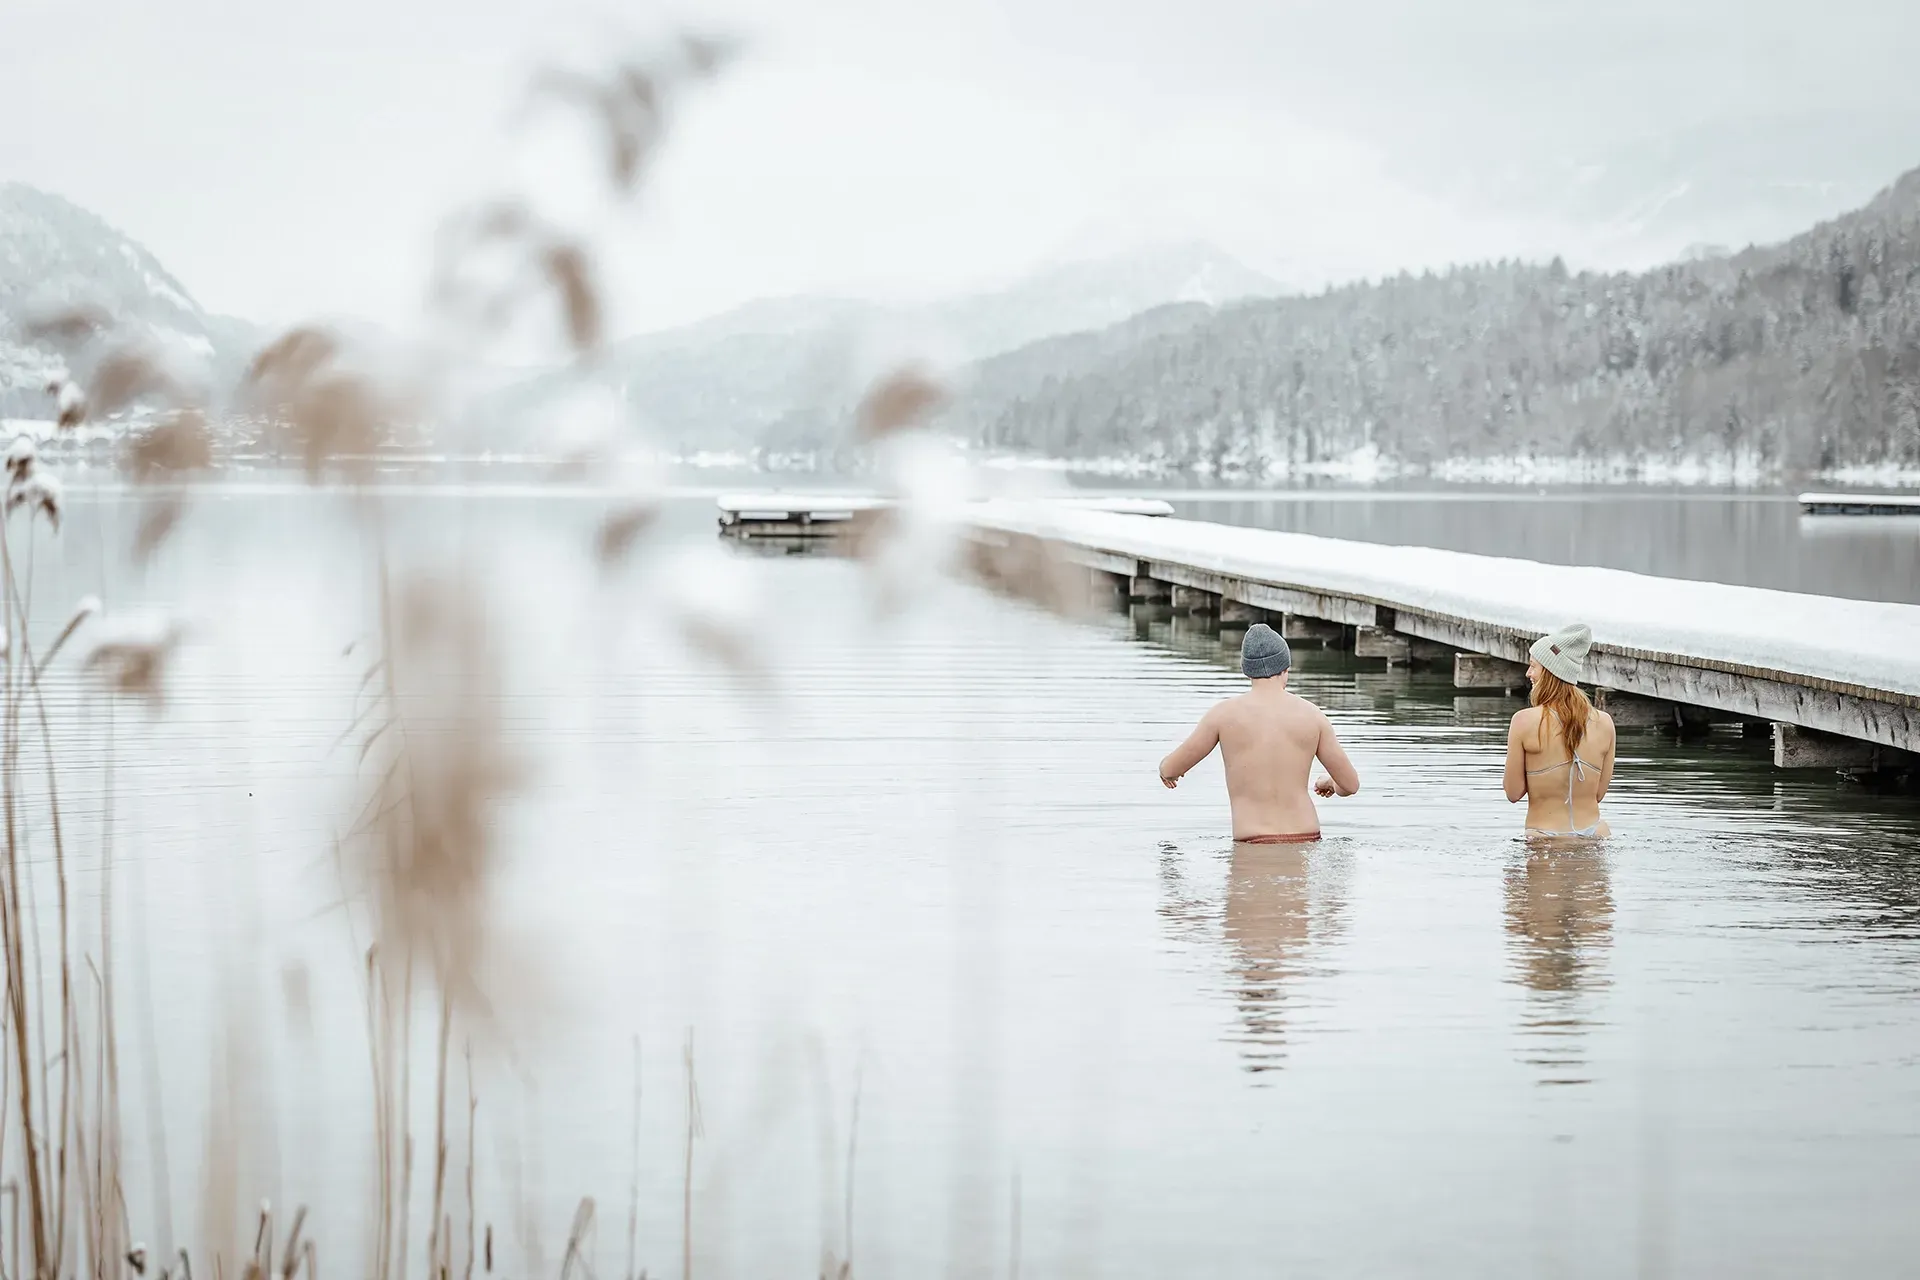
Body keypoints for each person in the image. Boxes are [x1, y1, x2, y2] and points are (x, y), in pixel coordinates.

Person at [1158, 623, 1360, 841]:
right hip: (1307, 837)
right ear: (1285, 668)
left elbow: (1170, 768)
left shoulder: (1222, 715)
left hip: (1253, 842)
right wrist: (1330, 783)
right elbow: (1350, 785)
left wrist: (1167, 772)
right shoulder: (1313, 716)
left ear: (1247, 671)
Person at [1504, 623, 1616, 837]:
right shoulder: (1605, 723)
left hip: (1544, 837)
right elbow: (1598, 794)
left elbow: (1513, 792)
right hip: (1594, 834)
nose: (1528, 673)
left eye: (1533, 666)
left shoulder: (1523, 721)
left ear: (1549, 672)